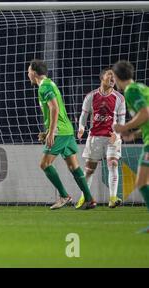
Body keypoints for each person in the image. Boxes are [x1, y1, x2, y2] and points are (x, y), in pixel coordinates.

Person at [28, 59, 96, 210]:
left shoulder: (44, 87)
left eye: (28, 72)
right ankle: (90, 199)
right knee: (73, 166)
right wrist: (47, 131)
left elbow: (54, 108)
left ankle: (64, 196)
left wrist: (51, 132)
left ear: (33, 72)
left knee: (44, 164)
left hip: (59, 131)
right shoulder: (50, 83)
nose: (28, 75)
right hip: (66, 129)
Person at [76, 68, 126, 208]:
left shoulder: (119, 98)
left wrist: (117, 135)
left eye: (114, 77)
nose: (113, 79)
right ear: (102, 78)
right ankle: (84, 197)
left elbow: (121, 120)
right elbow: (83, 116)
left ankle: (112, 198)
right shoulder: (91, 96)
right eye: (110, 76)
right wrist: (81, 128)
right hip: (94, 137)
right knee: (89, 170)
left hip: (111, 137)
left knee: (113, 164)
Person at [111, 60, 149, 233]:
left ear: (117, 77)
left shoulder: (131, 91)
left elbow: (145, 113)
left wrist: (124, 127)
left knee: (141, 182)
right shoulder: (141, 87)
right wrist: (135, 135)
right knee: (142, 182)